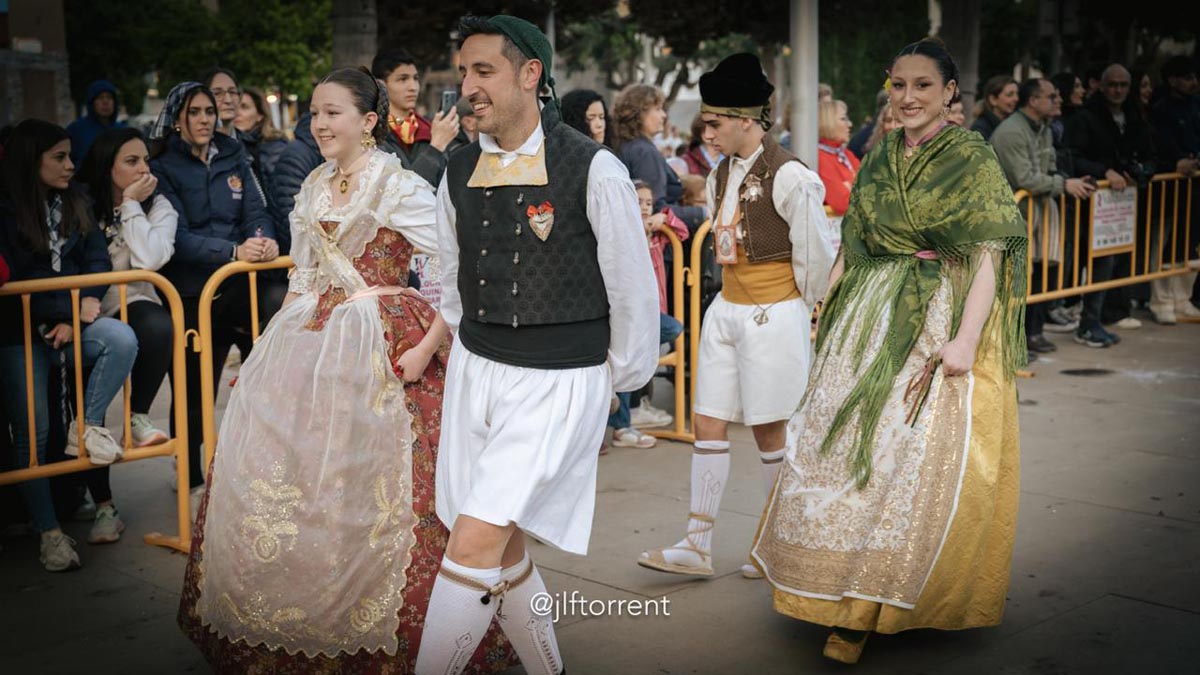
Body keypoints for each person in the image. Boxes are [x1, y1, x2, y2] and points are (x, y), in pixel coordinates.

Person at [177, 66, 517, 671]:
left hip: (385, 341)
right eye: (314, 112)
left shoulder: (399, 186)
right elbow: (303, 277)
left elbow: (457, 265)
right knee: (297, 486)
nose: (320, 122)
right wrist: (270, 360)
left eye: (333, 112)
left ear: (367, 121)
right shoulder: (312, 185)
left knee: (383, 491)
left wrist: (428, 343)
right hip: (311, 341)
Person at [750, 38, 1027, 665]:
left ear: (950, 92)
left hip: (935, 317)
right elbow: (857, 240)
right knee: (843, 453)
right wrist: (829, 303)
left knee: (909, 461)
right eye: (898, 85)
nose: (907, 98)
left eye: (922, 86)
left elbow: (989, 254)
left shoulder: (972, 157)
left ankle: (872, 606)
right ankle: (836, 594)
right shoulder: (877, 158)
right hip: (868, 317)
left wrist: (963, 339)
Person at [416, 15, 658, 675]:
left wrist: (611, 380)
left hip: (558, 376)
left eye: (483, 71)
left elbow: (634, 289)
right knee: (503, 542)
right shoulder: (457, 167)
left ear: (531, 75)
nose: (468, 86)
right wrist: (463, 344)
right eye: (464, 71)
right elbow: (451, 274)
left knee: (472, 541)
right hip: (477, 367)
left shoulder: (593, 166)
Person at [638, 52, 835, 582]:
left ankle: (777, 544)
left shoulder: (792, 174)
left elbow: (815, 254)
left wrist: (808, 314)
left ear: (748, 119)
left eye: (716, 122)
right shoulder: (722, 170)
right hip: (726, 308)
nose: (708, 131)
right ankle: (697, 543)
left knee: (771, 431)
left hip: (774, 313)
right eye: (707, 121)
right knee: (708, 420)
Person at [0, 119, 139, 569]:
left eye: (69, 156)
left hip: (75, 320)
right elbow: (19, 272)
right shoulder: (6, 208)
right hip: (18, 330)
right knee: (33, 434)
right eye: (58, 157)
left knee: (121, 338)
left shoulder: (75, 199)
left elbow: (96, 259)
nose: (70, 165)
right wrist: (64, 309)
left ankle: (88, 425)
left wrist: (82, 307)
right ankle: (49, 532)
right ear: (30, 160)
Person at [149, 81, 285, 503]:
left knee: (265, 377)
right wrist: (231, 251)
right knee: (194, 387)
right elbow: (176, 237)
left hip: (241, 285)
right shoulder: (164, 166)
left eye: (209, 111)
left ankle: (265, 470)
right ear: (177, 118)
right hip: (192, 291)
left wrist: (263, 239)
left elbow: (256, 210)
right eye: (195, 112)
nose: (206, 119)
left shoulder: (232, 153)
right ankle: (188, 474)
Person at [992, 78, 1095, 355]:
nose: (1058, 100)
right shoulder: (1011, 132)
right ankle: (1009, 344)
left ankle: (1032, 334)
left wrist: (1067, 179)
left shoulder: (1045, 128)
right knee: (1014, 279)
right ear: (1033, 101)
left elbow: (1048, 168)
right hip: (1012, 214)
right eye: (1051, 96)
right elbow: (1024, 178)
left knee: (1042, 272)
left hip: (1039, 209)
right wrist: (1064, 185)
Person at [1064, 64, 1157, 344]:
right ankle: (1085, 321)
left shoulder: (1134, 116)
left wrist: (1139, 170)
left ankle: (1097, 318)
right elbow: (1072, 156)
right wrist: (1105, 171)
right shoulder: (1085, 117)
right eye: (1112, 84)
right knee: (1092, 262)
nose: (1117, 90)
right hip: (1091, 202)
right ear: (1102, 86)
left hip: (1119, 207)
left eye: (1123, 85)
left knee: (1110, 261)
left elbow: (1149, 152)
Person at [1149, 55, 1200, 324]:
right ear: (1172, 80)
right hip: (1168, 190)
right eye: (1188, 77)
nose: (1194, 82)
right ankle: (1162, 301)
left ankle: (1183, 299)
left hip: (1193, 191)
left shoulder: (1196, 106)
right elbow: (1154, 149)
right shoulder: (1160, 110)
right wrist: (1175, 164)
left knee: (1190, 247)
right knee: (1163, 246)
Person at [372, 48, 460, 187]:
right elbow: (402, 194)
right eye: (402, 79)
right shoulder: (371, 134)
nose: (413, 87)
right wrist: (435, 148)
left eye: (415, 78)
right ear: (381, 85)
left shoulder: (431, 129)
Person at [234, 88, 289, 199]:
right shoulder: (230, 146)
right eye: (234, 107)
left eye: (244, 107)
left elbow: (284, 193)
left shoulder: (276, 147)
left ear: (260, 115)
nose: (237, 113)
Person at [66, 79, 127, 165]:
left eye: (109, 97)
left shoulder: (122, 131)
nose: (105, 102)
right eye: (100, 97)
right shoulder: (76, 130)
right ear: (92, 103)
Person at [817, 99, 861, 215]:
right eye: (843, 119)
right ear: (827, 122)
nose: (850, 124)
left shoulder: (846, 154)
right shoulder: (819, 158)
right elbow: (843, 202)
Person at [971, 74, 1017, 140]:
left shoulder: (1012, 124)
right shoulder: (980, 129)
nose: (1016, 99)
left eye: (1017, 94)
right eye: (1009, 95)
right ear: (993, 100)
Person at [203, 68, 242, 138]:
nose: (228, 100)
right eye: (217, 93)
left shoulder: (254, 146)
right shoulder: (189, 146)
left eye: (232, 92)